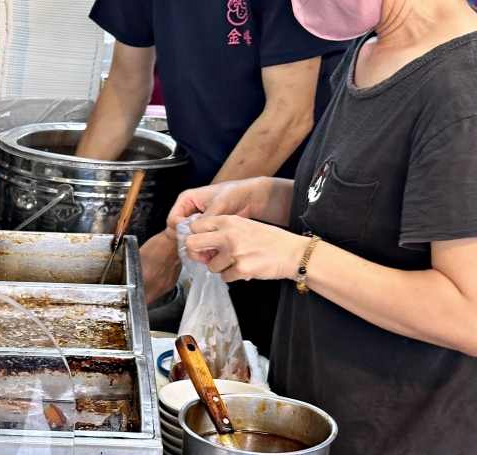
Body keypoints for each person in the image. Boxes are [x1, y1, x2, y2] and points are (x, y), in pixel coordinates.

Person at [166, 0, 477, 455]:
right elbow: (337, 209)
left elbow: (466, 309)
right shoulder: (370, 54)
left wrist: (298, 259)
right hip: (324, 444)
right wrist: (259, 203)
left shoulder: (457, 90)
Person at [77, 0, 346, 355]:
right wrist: (76, 192)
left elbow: (287, 117)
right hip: (200, 195)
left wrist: (184, 237)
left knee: (258, 365)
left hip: (283, 210)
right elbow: (125, 86)